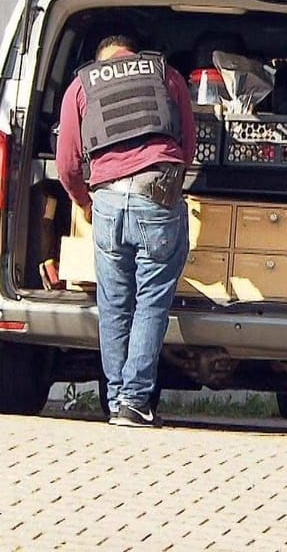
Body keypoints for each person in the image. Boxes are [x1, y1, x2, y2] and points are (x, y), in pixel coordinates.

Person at [56, 32, 196, 428]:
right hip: (158, 192)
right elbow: (187, 145)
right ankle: (133, 400)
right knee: (151, 301)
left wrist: (83, 201)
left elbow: (66, 161)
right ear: (132, 54)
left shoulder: (81, 86)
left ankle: (118, 400)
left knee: (114, 304)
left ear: (104, 59)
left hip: (107, 199)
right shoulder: (166, 75)